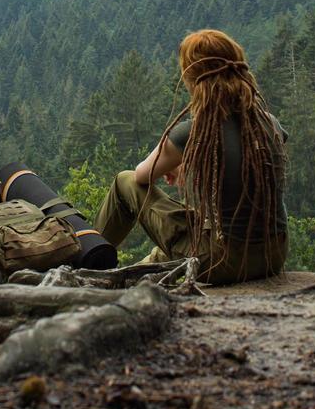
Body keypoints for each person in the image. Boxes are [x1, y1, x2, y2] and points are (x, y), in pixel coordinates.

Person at [94, 28, 288, 284]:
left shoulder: (195, 131)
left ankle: (90, 256)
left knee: (124, 181)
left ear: (193, 78)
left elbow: (142, 175)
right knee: (162, 255)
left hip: (226, 263)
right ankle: (124, 279)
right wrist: (186, 158)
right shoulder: (269, 123)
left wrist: (180, 154)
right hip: (273, 256)